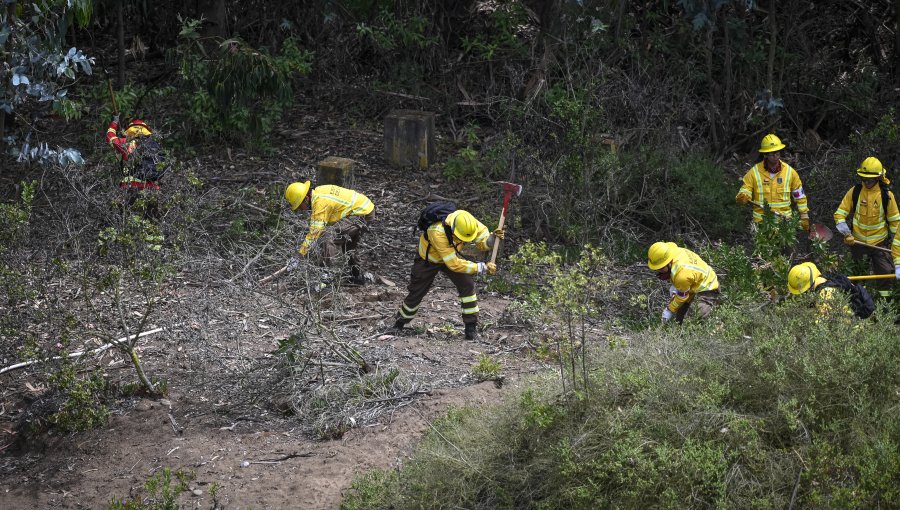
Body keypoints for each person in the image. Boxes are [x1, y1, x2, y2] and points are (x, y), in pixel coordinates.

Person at [393, 210, 504, 340]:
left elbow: (482, 243)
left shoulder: (472, 224)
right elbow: (454, 264)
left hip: (451, 256)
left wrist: (491, 240)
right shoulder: (437, 231)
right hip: (429, 260)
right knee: (417, 291)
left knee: (467, 285)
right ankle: (399, 324)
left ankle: (471, 328)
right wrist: (482, 267)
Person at [284, 180, 375, 285]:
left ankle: (326, 275)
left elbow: (315, 233)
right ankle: (357, 276)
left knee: (329, 236)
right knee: (348, 244)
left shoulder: (320, 204)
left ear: (306, 199)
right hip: (364, 209)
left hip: (361, 213)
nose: (300, 210)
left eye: (300, 206)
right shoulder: (319, 192)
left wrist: (298, 256)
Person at [833, 156, 899, 299]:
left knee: (886, 273)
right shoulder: (855, 192)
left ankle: (885, 306)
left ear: (878, 178)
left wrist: (895, 244)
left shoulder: (886, 196)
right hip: (858, 243)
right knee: (858, 276)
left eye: (870, 179)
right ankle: (860, 304)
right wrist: (846, 234)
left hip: (879, 244)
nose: (867, 182)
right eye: (864, 179)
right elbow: (839, 215)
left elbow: (895, 223)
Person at [736, 134, 811, 232]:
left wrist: (804, 215)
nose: (775, 156)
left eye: (777, 153)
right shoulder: (754, 172)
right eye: (772, 154)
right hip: (762, 224)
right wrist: (744, 195)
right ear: (765, 155)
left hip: (784, 224)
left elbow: (799, 196)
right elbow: (746, 187)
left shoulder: (790, 172)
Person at [647, 241, 720, 324]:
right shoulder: (674, 252)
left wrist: (669, 310)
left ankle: (717, 326)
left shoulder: (681, 275)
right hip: (694, 284)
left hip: (708, 289)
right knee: (679, 320)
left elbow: (681, 297)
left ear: (668, 263)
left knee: (691, 322)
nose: (658, 270)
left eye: (660, 268)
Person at [787, 262, 875, 319]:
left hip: (851, 330)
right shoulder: (823, 280)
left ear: (808, 287)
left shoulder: (825, 295)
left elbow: (824, 324)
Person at [105, 116, 167, 191]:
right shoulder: (155, 145)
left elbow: (110, 138)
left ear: (129, 131)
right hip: (151, 188)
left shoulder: (126, 143)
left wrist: (114, 122)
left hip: (130, 187)